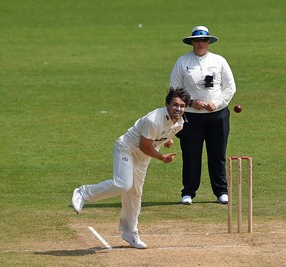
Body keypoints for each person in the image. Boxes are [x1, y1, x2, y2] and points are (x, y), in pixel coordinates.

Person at [71, 88, 191, 249]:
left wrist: (166, 141)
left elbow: (162, 135)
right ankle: (84, 192)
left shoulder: (180, 123)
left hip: (143, 156)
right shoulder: (153, 119)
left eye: (182, 106)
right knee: (123, 184)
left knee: (135, 193)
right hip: (127, 148)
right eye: (175, 105)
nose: (179, 109)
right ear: (167, 104)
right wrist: (162, 157)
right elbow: (144, 146)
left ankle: (130, 231)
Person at [169, 26, 236, 205]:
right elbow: (175, 89)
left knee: (217, 154)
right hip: (191, 117)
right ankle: (188, 192)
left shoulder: (219, 61)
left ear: (208, 42)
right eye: (197, 40)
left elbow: (230, 87)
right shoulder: (182, 62)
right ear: (192, 42)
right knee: (191, 155)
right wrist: (191, 103)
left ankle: (221, 191)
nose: (200, 44)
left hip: (217, 115)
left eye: (203, 41)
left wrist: (217, 103)